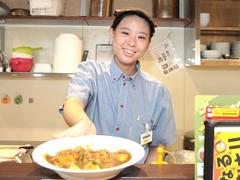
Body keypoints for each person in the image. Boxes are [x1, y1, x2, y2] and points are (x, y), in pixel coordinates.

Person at [56, 9, 176, 163]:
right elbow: (73, 102)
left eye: (141, 37)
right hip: (91, 172)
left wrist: (149, 173)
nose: (132, 42)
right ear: (112, 33)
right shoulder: (90, 71)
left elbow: (158, 145)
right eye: (125, 33)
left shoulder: (158, 92)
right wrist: (82, 123)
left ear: (147, 45)